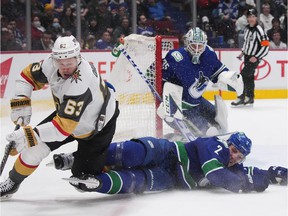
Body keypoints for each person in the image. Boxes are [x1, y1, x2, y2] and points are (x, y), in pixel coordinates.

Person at [0, 35, 119, 200]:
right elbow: (26, 77)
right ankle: (12, 183)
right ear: (54, 58)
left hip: (96, 127)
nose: (65, 68)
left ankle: (112, 157)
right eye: (61, 63)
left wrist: (25, 136)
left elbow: (62, 129)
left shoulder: (80, 82)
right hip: (66, 118)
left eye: (69, 63)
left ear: (78, 58)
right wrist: (21, 101)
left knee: (82, 180)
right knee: (33, 150)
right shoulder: (51, 63)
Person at [50, 132, 287, 194]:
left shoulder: (234, 166)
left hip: (172, 180)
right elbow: (216, 176)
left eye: (239, 156)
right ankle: (75, 158)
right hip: (170, 152)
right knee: (134, 153)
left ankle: (97, 183)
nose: (234, 156)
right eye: (234, 150)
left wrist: (273, 174)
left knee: (137, 182)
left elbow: (254, 173)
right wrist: (242, 185)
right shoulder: (214, 145)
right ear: (228, 144)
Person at [154, 27, 244, 138]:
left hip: (198, 102)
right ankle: (180, 137)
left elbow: (219, 72)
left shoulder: (209, 55)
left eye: (200, 46)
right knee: (208, 133)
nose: (196, 49)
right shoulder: (176, 58)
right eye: (193, 45)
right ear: (187, 43)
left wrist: (229, 78)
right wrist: (166, 103)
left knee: (220, 124)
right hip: (182, 109)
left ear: (205, 44)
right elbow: (157, 77)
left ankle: (182, 135)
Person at [232, 8, 269, 107]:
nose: (251, 18)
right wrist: (242, 53)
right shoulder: (247, 28)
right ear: (247, 18)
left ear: (256, 17)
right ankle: (250, 97)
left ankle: (241, 97)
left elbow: (266, 46)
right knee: (249, 77)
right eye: (249, 17)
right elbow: (247, 43)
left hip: (254, 57)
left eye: (253, 16)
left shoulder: (260, 30)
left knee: (242, 76)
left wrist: (256, 57)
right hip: (247, 57)